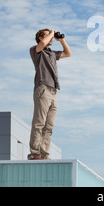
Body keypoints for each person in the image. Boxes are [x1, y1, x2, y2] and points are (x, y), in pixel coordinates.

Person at [28, 28, 72, 160]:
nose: (51, 38)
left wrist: (61, 40)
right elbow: (41, 45)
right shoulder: (36, 51)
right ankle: (35, 153)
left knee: (49, 126)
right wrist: (51, 33)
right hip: (43, 90)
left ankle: (44, 154)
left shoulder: (51, 54)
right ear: (41, 38)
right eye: (48, 36)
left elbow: (68, 53)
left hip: (53, 91)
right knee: (39, 123)